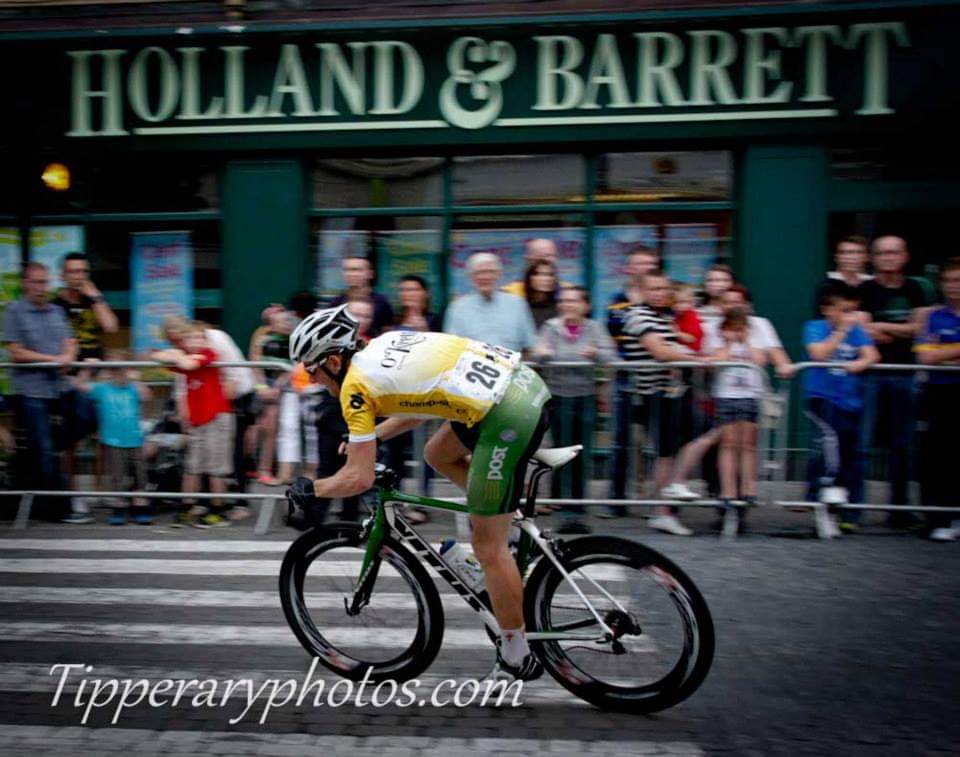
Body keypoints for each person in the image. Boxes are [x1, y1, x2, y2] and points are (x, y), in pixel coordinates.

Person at [286, 305, 551, 682]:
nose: (311, 380)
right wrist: (375, 435)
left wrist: (312, 487)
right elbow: (419, 402)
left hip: (505, 415)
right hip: (520, 386)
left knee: (486, 546)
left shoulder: (353, 389)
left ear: (331, 360)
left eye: (311, 369)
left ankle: (516, 655)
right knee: (436, 454)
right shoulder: (386, 344)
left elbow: (358, 478)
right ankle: (506, 522)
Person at [621, 271, 707, 536]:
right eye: (654, 288)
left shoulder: (664, 317)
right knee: (669, 451)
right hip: (652, 396)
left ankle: (668, 500)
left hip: (671, 393)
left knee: (685, 442)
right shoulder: (637, 315)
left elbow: (675, 348)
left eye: (663, 289)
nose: (660, 293)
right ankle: (665, 505)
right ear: (643, 290)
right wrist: (697, 360)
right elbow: (659, 351)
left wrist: (685, 358)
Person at [858, 236, 933, 527]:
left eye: (893, 252)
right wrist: (903, 328)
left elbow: (920, 329)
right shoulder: (866, 290)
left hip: (906, 372)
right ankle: (854, 510)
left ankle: (899, 510)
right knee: (863, 443)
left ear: (904, 256)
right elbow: (864, 332)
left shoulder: (918, 289)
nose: (888, 257)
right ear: (874, 258)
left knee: (902, 445)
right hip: (873, 373)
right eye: (882, 253)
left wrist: (883, 326)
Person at [533, 286, 616, 534]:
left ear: (585, 305)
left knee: (582, 452)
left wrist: (596, 353)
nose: (568, 305)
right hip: (558, 397)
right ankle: (564, 505)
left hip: (585, 396)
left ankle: (577, 507)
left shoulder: (594, 328)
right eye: (564, 300)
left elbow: (611, 356)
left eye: (574, 301)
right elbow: (539, 354)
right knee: (562, 449)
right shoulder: (551, 327)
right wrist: (544, 354)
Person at [163, 315, 257, 521]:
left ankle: (232, 503)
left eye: (178, 338)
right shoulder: (185, 351)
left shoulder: (212, 343)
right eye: (173, 341)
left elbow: (232, 373)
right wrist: (187, 416)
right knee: (196, 464)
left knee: (228, 458)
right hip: (201, 416)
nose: (178, 343)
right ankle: (198, 504)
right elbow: (180, 381)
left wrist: (220, 404)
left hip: (231, 401)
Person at [3, 262, 78, 521]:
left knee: (88, 411)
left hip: (59, 387)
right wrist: (52, 359)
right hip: (31, 390)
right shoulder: (14, 310)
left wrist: (67, 356)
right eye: (36, 282)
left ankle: (52, 456)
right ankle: (54, 510)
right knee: (43, 449)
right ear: (25, 284)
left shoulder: (56, 311)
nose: (41, 288)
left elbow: (71, 342)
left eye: (45, 282)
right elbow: (16, 351)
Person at [803, 284, 880, 535]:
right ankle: (820, 494)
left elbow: (872, 355)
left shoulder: (857, 331)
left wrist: (860, 362)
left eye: (852, 311)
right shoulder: (815, 327)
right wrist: (841, 331)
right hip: (823, 398)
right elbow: (818, 354)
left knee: (852, 451)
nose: (850, 316)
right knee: (829, 443)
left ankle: (849, 509)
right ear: (828, 309)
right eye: (843, 310)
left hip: (850, 401)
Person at [53, 252, 120, 520]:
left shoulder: (93, 300)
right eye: (73, 272)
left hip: (98, 375)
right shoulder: (56, 305)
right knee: (73, 437)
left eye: (83, 272)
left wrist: (96, 296)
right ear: (63, 275)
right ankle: (74, 494)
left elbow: (111, 327)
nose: (78, 277)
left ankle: (102, 489)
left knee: (105, 431)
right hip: (72, 378)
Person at [153, 323, 236, 528]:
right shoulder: (185, 358)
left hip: (218, 419)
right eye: (191, 338)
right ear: (185, 342)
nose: (197, 342)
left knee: (216, 469)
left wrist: (176, 355)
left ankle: (219, 510)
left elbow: (189, 365)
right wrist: (172, 354)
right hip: (198, 422)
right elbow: (158, 358)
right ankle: (186, 508)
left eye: (201, 338)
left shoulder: (209, 354)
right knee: (192, 467)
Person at [606, 245, 660, 508]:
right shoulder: (618, 299)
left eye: (650, 263)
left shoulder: (660, 297)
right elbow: (615, 330)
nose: (646, 268)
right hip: (626, 376)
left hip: (655, 378)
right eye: (640, 263)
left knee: (657, 439)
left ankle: (653, 496)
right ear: (629, 268)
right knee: (621, 440)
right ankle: (617, 499)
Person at [705, 308, 767, 532]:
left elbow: (760, 360)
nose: (737, 332)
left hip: (749, 397)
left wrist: (747, 342)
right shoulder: (722, 347)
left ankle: (749, 488)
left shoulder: (752, 346)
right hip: (727, 397)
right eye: (732, 328)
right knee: (729, 444)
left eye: (740, 328)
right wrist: (730, 344)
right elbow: (714, 362)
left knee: (748, 445)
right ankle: (728, 491)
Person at [73, 350, 152, 525]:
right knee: (118, 477)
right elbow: (79, 385)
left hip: (135, 439)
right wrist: (87, 369)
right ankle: (120, 507)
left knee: (140, 476)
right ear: (109, 372)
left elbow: (146, 395)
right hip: (113, 440)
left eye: (123, 370)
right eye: (115, 370)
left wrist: (134, 377)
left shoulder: (134, 387)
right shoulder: (102, 388)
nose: (120, 374)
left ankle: (140, 505)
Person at [914, 258, 960, 541]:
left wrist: (945, 352)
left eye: (959, 280)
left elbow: (936, 353)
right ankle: (938, 517)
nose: (954, 286)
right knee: (937, 455)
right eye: (950, 281)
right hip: (940, 392)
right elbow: (926, 355)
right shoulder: (934, 316)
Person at [443, 252, 538, 354]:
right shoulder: (457, 308)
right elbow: (451, 350)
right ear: (470, 277)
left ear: (499, 274)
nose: (486, 277)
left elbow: (529, 347)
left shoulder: (517, 304)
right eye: (479, 272)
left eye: (490, 271)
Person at [248, 305, 295, 486]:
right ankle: (250, 465)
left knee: (272, 428)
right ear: (270, 325)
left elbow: (291, 366)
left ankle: (264, 469)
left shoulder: (292, 341)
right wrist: (261, 387)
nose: (286, 324)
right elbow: (255, 363)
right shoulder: (261, 338)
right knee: (256, 428)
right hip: (261, 385)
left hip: (280, 388)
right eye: (281, 321)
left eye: (288, 321)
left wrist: (276, 387)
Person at [330, 255, 394, 338]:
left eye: (356, 270)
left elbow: (388, 333)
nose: (351, 274)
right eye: (347, 270)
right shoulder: (336, 303)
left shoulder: (382, 302)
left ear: (370, 274)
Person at [697, 263, 735, 331]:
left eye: (721, 280)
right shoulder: (696, 313)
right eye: (710, 280)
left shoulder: (740, 309)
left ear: (731, 283)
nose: (715, 284)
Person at [524, 260, 560, 329]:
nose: (547, 279)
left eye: (550, 275)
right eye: (541, 274)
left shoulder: (560, 307)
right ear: (530, 278)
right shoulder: (521, 307)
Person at [673, 283, 704, 353]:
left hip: (691, 350)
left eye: (682, 302)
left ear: (691, 303)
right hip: (683, 348)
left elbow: (692, 338)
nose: (678, 305)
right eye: (675, 302)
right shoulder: (678, 316)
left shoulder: (691, 316)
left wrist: (676, 333)